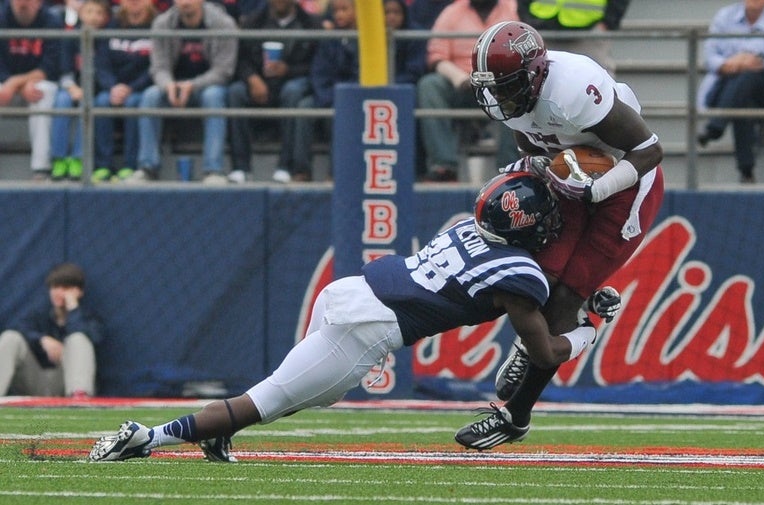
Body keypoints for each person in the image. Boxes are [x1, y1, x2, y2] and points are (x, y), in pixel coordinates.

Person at [87, 172, 620, 462]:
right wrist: (589, 329)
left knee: (301, 393)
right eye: (545, 218)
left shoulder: (468, 229)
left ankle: (217, 434)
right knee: (268, 400)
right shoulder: (518, 275)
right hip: (367, 327)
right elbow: (545, 352)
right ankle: (144, 438)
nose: (553, 225)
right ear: (525, 229)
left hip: (349, 289)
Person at [458, 21, 664, 450]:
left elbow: (650, 150)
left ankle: (515, 417)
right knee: (531, 279)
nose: (497, 96)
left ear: (533, 74)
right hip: (570, 177)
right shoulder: (514, 95)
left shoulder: (574, 86)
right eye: (491, 86)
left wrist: (596, 188)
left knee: (564, 301)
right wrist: (533, 171)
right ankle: (544, 336)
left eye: (505, 84)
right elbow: (535, 145)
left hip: (624, 184)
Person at [129, 0, 238, 184]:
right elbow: (159, 67)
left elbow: (223, 70)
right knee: (150, 96)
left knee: (214, 96)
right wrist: (168, 85)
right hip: (173, 87)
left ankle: (213, 170)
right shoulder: (163, 23)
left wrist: (192, 85)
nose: (185, 1)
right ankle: (147, 167)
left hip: (206, 86)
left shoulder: (223, 23)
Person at [416, 0, 520, 182]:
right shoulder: (451, 12)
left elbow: (524, 50)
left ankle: (509, 169)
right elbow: (436, 56)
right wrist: (459, 78)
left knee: (517, 93)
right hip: (462, 83)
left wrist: (500, 79)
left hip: (500, 83)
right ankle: (444, 166)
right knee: (429, 85)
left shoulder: (513, 8)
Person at [695, 0, 764, 184]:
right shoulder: (724, 16)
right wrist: (730, 64)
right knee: (743, 100)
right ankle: (746, 171)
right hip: (725, 85)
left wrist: (755, 59)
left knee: (748, 77)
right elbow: (710, 56)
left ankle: (716, 126)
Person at [226, 0, 320, 184]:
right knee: (235, 92)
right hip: (260, 83)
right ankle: (241, 168)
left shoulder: (311, 24)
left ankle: (285, 165)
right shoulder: (253, 22)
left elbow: (316, 66)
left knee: (293, 92)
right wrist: (252, 78)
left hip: (293, 81)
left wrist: (289, 70)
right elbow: (241, 60)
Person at [0, 263, 106, 397]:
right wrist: (42, 340)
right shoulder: (39, 316)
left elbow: (96, 338)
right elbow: (18, 328)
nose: (59, 292)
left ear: (78, 291)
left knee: (78, 339)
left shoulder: (90, 319)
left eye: (65, 288)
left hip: (67, 383)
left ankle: (79, 398)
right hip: (36, 381)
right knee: (10, 337)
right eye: (55, 287)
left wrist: (73, 308)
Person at [289, 0, 357, 182]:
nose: (339, 15)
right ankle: (301, 170)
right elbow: (318, 72)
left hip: (350, 97)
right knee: (304, 107)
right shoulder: (329, 39)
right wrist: (327, 96)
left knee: (340, 113)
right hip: (326, 95)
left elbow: (360, 75)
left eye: (344, 9)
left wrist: (341, 97)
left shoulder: (365, 40)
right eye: (336, 10)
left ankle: (335, 174)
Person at [92, 0, 157, 183]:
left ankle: (131, 165)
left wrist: (132, 88)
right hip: (113, 88)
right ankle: (103, 166)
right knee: (100, 103)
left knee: (135, 103)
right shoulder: (111, 26)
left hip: (140, 88)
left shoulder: (156, 26)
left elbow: (155, 67)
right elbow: (101, 65)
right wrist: (113, 86)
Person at [0, 0, 62, 181]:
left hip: (35, 81)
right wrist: (11, 84)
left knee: (42, 93)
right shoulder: (2, 17)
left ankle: (40, 168)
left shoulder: (51, 20)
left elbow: (50, 66)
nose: (24, 3)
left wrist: (17, 83)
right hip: (6, 81)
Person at [49, 0, 110, 182]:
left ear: (105, 18)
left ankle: (78, 159)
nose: (93, 17)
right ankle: (58, 159)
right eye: (89, 11)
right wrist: (72, 87)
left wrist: (88, 90)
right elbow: (64, 68)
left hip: (95, 90)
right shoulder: (70, 36)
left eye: (99, 13)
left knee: (88, 103)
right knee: (61, 101)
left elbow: (106, 72)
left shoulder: (106, 40)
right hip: (70, 86)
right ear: (81, 14)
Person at [516, 0, 629, 76]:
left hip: (589, 31)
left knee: (595, 87)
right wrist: (524, 14)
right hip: (540, 26)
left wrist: (609, 21)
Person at [384, 0, 427, 85]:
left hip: (408, 87)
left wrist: (389, 84)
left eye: (396, 12)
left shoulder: (415, 35)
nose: (392, 17)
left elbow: (415, 72)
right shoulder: (370, 37)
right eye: (387, 12)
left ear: (404, 14)